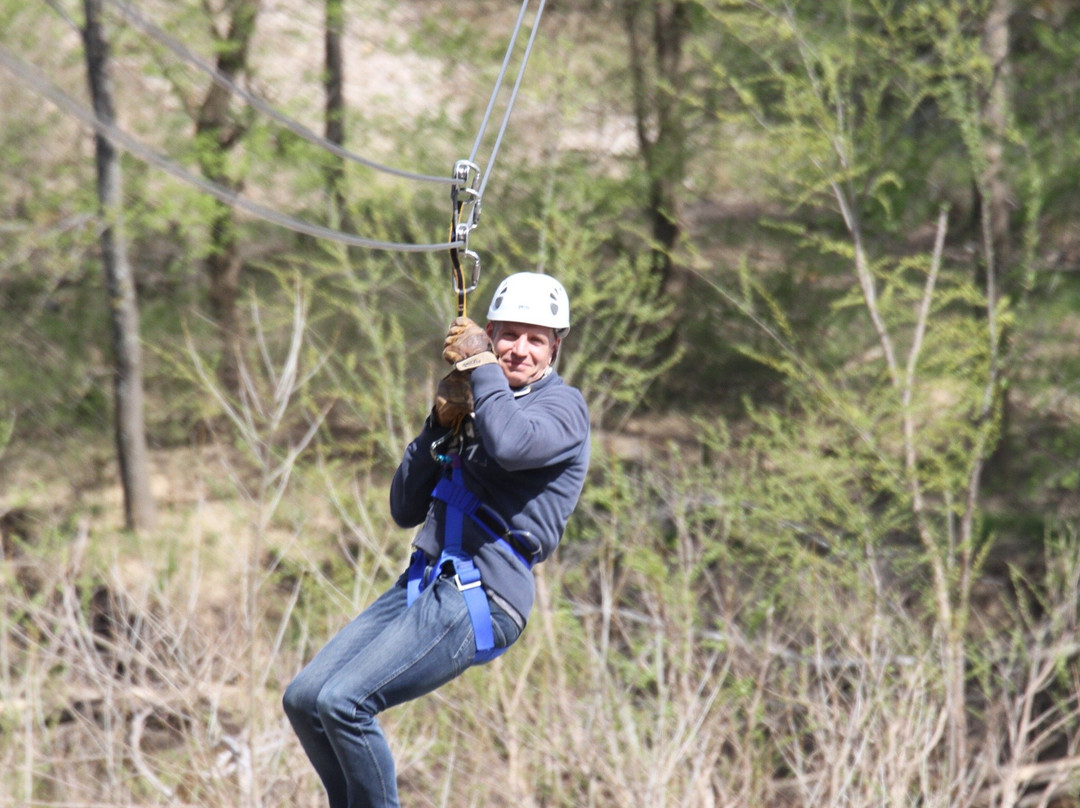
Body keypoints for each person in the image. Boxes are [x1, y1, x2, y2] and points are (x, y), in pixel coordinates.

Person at [282, 272, 590, 808]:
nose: (518, 350)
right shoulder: (481, 404)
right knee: (307, 699)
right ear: (491, 331)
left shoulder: (563, 409)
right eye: (508, 336)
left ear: (555, 347)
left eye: (535, 339)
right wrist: (437, 426)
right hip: (425, 581)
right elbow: (404, 508)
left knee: (346, 704)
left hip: (484, 594)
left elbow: (514, 446)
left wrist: (482, 368)